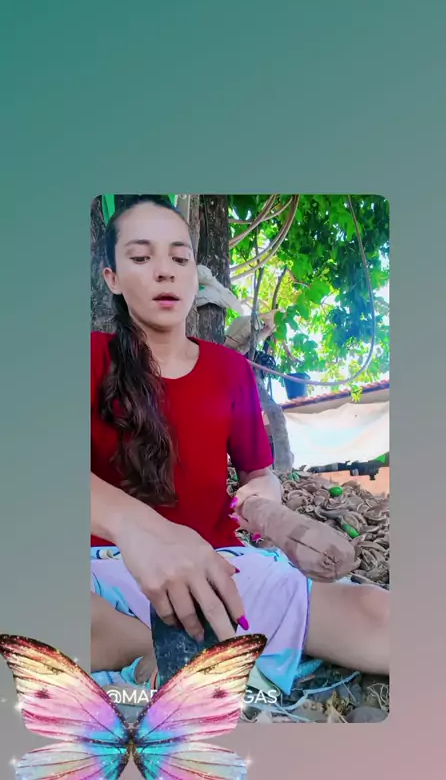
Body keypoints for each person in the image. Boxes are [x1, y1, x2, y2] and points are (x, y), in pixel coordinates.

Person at [90, 195, 389, 695]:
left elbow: (259, 476)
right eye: (141, 257)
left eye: (180, 258)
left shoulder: (229, 370)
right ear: (112, 278)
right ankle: (149, 649)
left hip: (222, 569)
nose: (165, 271)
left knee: (377, 616)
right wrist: (140, 530)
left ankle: (187, 653)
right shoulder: (88, 357)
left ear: (195, 274)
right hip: (101, 571)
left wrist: (276, 517)